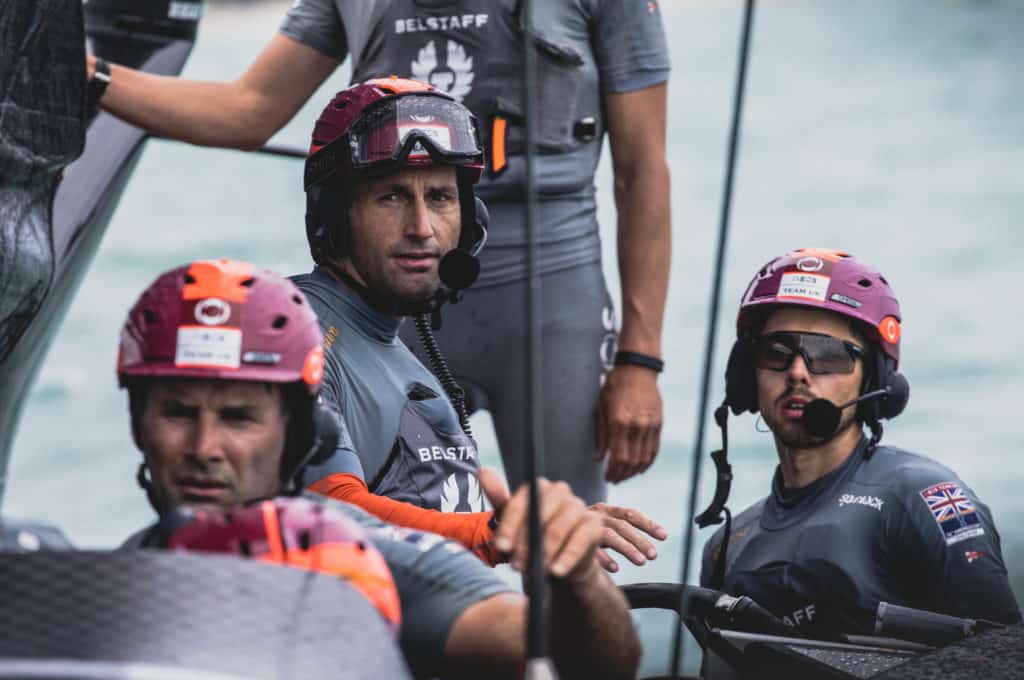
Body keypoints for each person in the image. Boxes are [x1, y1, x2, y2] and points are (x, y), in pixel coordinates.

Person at [86, 0, 671, 500]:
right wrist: (86, 74)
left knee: (566, 553)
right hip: (388, 306)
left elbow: (642, 171)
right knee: (380, 540)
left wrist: (640, 362)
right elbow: (247, 111)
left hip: (551, 305)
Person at [118, 258, 641, 680]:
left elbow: (591, 665)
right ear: (140, 424)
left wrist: (578, 584)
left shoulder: (354, 554)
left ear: (297, 434)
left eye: (238, 418)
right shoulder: (114, 574)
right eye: (178, 413)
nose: (205, 446)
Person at [292, 76, 665, 572]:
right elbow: (326, 512)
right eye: (392, 196)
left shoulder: (398, 354)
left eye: (442, 198)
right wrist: (498, 534)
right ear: (335, 217)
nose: (422, 228)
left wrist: (536, 529)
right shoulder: (299, 333)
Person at [699, 248, 1020, 628]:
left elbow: (1002, 657)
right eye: (778, 351)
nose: (798, 371)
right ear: (745, 375)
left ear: (873, 380)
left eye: (828, 354)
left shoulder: (927, 498)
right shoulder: (725, 547)